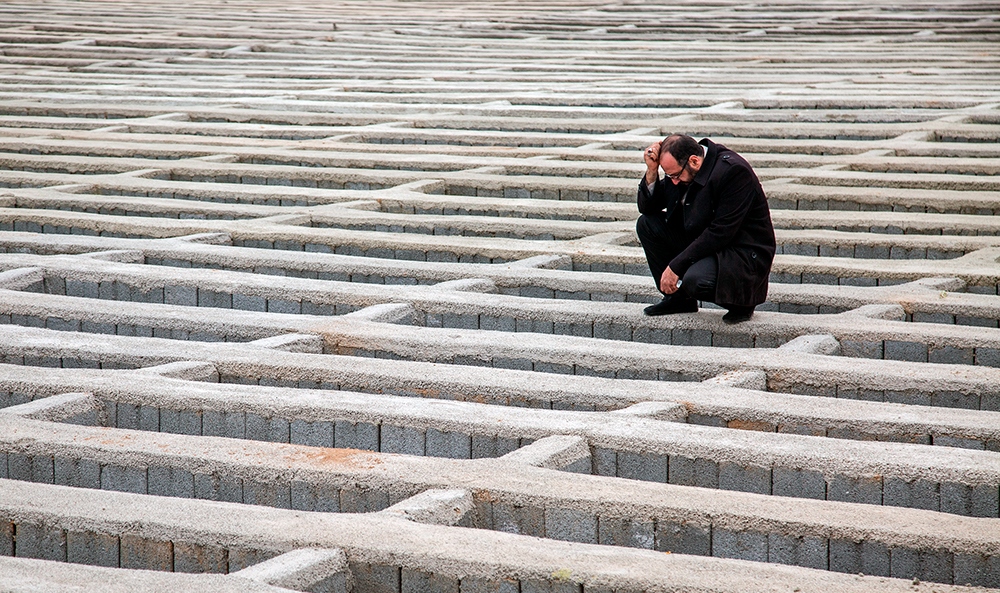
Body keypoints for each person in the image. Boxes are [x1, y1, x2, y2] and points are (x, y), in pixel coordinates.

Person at [636, 134, 775, 324]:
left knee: (696, 281)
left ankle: (741, 303)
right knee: (647, 224)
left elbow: (721, 232)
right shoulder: (683, 171)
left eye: (675, 175)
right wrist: (652, 171)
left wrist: (675, 267)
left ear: (694, 160)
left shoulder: (733, 171)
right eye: (669, 176)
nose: (673, 181)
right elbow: (648, 209)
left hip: (741, 254)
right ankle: (678, 300)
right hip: (707, 243)